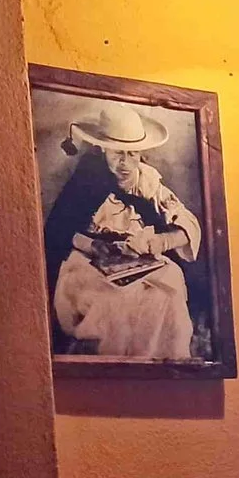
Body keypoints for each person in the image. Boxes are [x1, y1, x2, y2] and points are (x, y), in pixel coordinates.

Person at [43, 103, 204, 359]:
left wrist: (163, 241)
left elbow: (189, 224)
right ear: (103, 148)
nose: (125, 162)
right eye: (118, 153)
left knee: (168, 292)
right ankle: (114, 370)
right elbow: (60, 231)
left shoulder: (149, 183)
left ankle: (162, 367)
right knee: (111, 303)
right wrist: (93, 246)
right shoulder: (86, 181)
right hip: (89, 262)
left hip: (143, 262)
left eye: (132, 154)